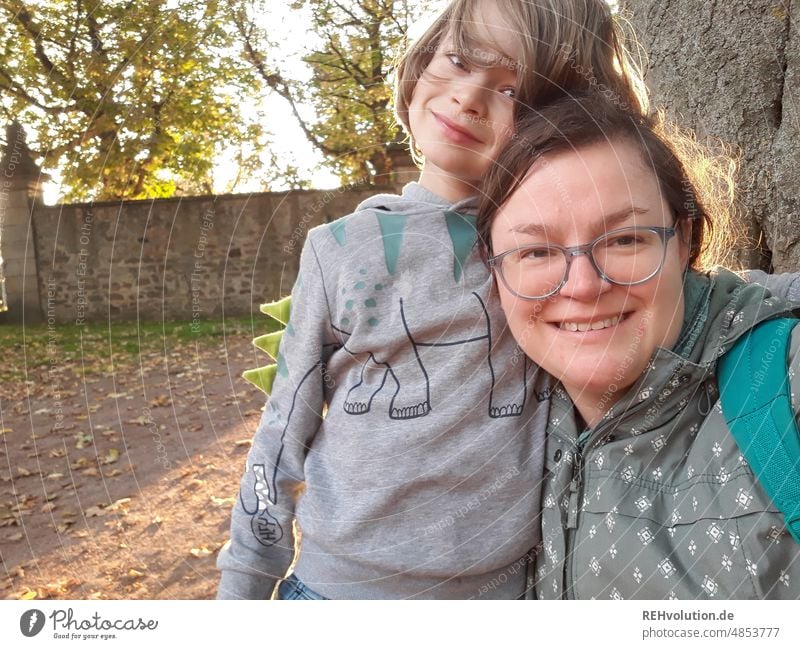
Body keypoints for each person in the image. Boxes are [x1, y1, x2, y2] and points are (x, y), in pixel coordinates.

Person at [216, 0, 647, 599]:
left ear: (554, 124)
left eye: (512, 91)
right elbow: (283, 427)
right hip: (335, 596)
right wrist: (242, 586)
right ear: (420, 67)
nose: (470, 97)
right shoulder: (336, 249)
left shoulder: (552, 253)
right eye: (460, 61)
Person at [478, 93, 800, 599]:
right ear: (493, 270)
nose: (582, 286)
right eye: (536, 251)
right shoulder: (489, 423)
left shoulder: (785, 383)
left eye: (625, 239)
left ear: (684, 242)